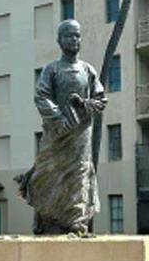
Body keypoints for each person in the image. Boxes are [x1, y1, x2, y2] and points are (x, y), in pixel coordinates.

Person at [16, 19, 107, 235]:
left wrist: (83, 104)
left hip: (80, 137)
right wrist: (59, 119)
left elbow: (101, 100)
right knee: (46, 174)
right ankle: (46, 220)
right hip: (56, 135)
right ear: (59, 40)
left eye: (77, 35)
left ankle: (77, 222)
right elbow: (41, 96)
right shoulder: (52, 69)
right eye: (69, 35)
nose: (74, 39)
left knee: (78, 176)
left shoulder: (87, 70)